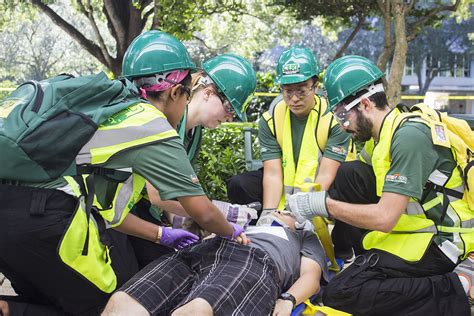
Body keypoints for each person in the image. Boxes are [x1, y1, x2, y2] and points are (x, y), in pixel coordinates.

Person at [0, 31, 246, 316]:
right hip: (42, 215)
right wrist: (231, 231)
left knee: (53, 299)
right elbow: (202, 212)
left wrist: (162, 235)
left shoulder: (110, 112)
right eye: (186, 95)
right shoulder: (150, 123)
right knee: (110, 306)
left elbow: (110, 214)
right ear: (175, 92)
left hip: (11, 211)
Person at [286, 55, 473, 315]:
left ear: (364, 104)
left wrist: (322, 205)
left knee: (341, 292)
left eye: (342, 114)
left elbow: (385, 218)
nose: (341, 124)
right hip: (415, 228)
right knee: (347, 175)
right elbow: (347, 180)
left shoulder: (409, 137)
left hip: (443, 241)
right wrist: (305, 214)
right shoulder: (383, 134)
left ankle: (459, 285)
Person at [102, 210, 328, 316]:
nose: (278, 210)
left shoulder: (301, 237)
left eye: (285, 211)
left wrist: (288, 299)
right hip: (197, 252)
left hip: (253, 260)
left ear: (296, 224)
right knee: (122, 303)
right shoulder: (244, 223)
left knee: (196, 311)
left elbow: (311, 276)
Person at [226, 46, 350, 214]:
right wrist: (269, 215)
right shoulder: (270, 120)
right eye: (288, 91)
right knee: (240, 184)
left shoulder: (334, 121)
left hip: (326, 190)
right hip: (287, 190)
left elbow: (326, 176)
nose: (294, 99)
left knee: (345, 183)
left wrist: (307, 214)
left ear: (315, 86)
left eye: (301, 91)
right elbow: (273, 174)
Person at [142, 54, 257, 227]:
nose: (230, 119)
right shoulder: (167, 121)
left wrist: (187, 229)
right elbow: (157, 196)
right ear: (208, 92)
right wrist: (220, 215)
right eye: (229, 108)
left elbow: (177, 193)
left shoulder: (195, 134)